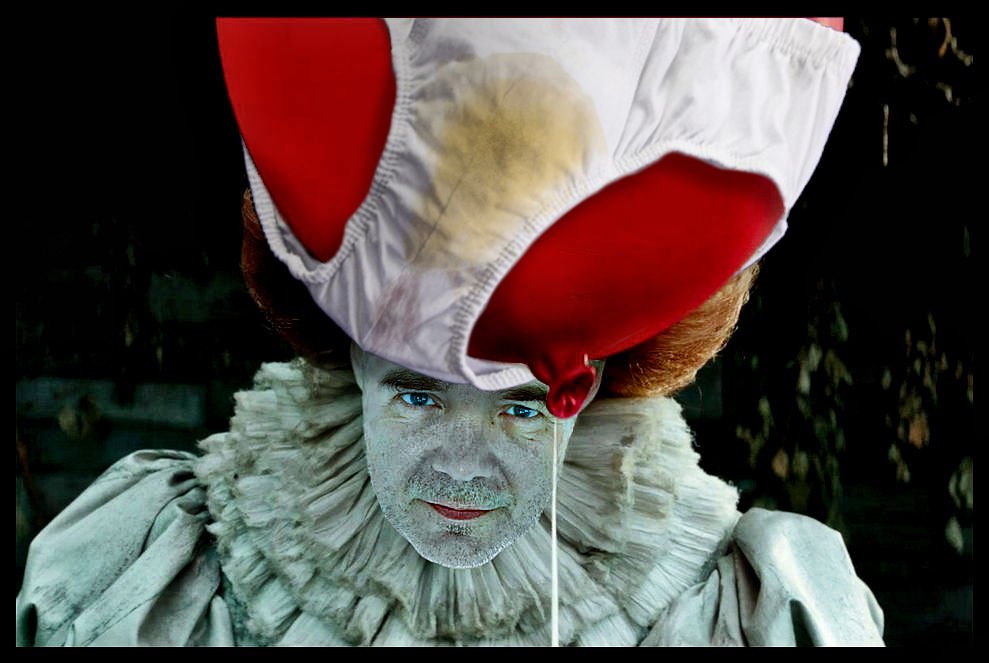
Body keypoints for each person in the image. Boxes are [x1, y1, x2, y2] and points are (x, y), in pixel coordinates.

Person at [16, 18, 884, 646]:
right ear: (352, 358)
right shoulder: (168, 574)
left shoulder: (735, 611)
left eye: (521, 408)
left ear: (585, 391)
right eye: (417, 396)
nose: (463, 468)